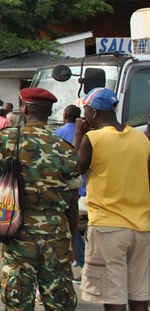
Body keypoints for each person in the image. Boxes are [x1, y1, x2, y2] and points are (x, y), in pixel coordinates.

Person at [0, 87, 80, 311]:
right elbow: (73, 202)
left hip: (18, 231)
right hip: (56, 234)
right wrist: (71, 238)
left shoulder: (8, 138)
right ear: (49, 112)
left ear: (25, 109)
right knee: (59, 301)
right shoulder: (65, 149)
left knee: (18, 300)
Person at [72, 88, 150, 310]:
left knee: (113, 296)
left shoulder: (93, 138)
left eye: (85, 110)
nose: (84, 115)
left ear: (94, 113)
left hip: (108, 227)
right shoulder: (141, 139)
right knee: (139, 295)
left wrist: (78, 134)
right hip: (141, 228)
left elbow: (72, 171)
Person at [53, 104, 87, 272]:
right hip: (86, 187)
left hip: (67, 188)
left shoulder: (57, 134)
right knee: (81, 227)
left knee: (71, 227)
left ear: (64, 114)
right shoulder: (88, 133)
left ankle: (80, 260)